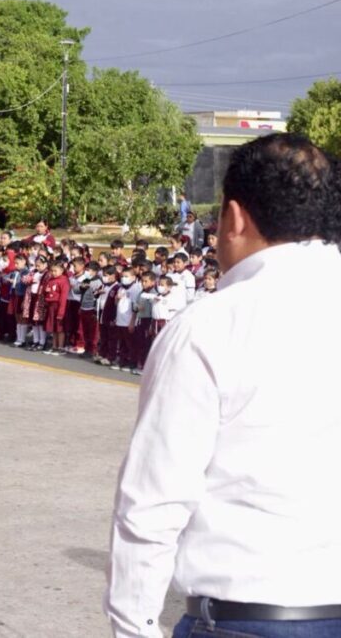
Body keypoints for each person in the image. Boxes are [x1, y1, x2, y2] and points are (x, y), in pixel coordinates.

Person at [107, 133, 341, 638]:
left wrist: (135, 627)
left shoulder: (211, 325)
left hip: (248, 620)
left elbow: (152, 502)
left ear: (234, 218)